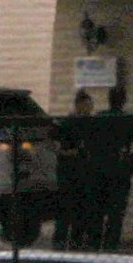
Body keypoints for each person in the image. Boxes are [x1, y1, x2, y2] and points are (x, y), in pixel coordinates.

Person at [56, 92, 105, 247]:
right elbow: (58, 148)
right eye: (87, 105)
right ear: (79, 105)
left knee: (83, 210)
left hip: (87, 174)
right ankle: (61, 241)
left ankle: (77, 241)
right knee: (66, 210)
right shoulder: (68, 124)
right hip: (70, 174)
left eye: (91, 105)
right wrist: (73, 152)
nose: (90, 108)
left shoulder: (92, 123)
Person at [95, 88, 133, 248]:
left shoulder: (100, 118)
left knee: (99, 209)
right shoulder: (127, 120)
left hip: (100, 169)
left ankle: (95, 242)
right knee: (117, 211)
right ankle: (111, 243)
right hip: (120, 170)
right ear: (123, 101)